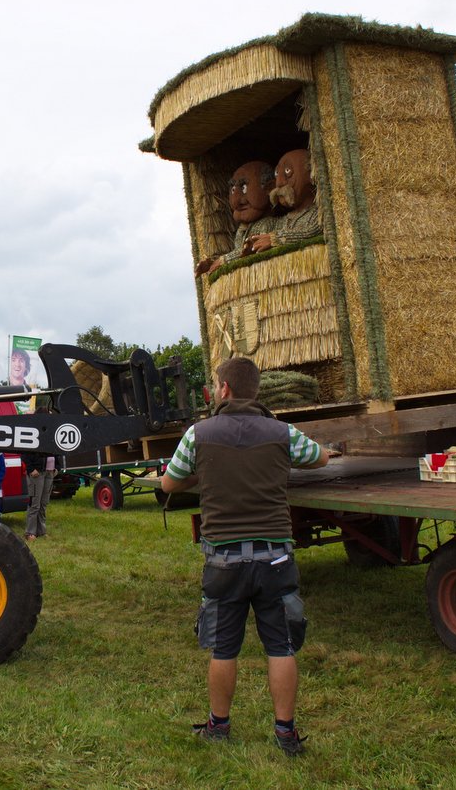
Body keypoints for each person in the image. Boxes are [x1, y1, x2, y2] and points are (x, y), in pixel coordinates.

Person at [160, 356, 329, 757]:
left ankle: (219, 727)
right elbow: (321, 457)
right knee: (281, 646)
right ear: (257, 391)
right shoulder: (282, 432)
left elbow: (168, 483)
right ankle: (286, 733)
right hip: (275, 559)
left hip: (223, 561)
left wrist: (204, 472)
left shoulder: (197, 434)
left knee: (224, 648)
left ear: (224, 390)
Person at [194, 161, 279, 277]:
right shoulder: (242, 230)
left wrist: (224, 260)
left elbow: (253, 249)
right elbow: (240, 251)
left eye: (244, 188)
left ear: (270, 188)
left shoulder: (268, 224)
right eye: (233, 190)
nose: (236, 201)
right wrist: (213, 262)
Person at [244, 149, 322, 254]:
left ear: (312, 174)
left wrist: (277, 239)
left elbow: (312, 231)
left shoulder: (319, 213)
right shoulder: (278, 223)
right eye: (277, 174)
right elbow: (259, 240)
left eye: (287, 171)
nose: (279, 183)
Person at [22, 408, 57, 540]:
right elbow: (24, 452)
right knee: (34, 503)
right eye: (48, 414)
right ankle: (30, 532)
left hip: (50, 471)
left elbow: (57, 449)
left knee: (43, 503)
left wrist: (57, 467)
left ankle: (41, 530)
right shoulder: (32, 432)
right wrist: (31, 469)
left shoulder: (50, 431)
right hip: (37, 473)